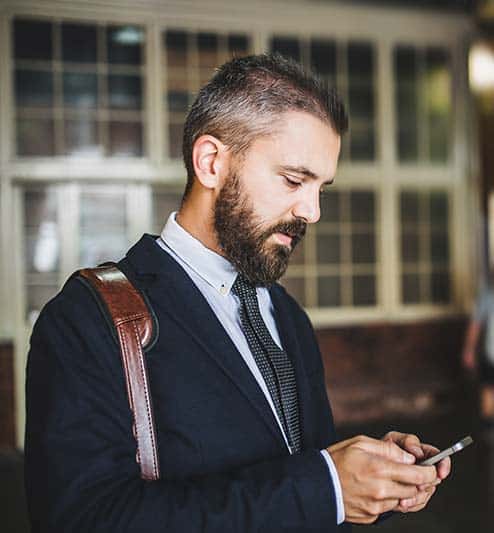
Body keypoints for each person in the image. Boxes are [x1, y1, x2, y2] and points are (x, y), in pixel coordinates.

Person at [25, 54, 450, 532]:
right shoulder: (86, 320)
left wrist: (369, 480)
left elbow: (303, 474)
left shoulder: (287, 316)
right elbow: (84, 519)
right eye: (293, 180)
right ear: (211, 163)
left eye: (321, 189)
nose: (311, 211)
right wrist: (325, 487)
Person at [462, 274, 494, 426]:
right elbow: (475, 325)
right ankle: (488, 438)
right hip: (491, 354)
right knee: (488, 391)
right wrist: (469, 351)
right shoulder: (487, 295)